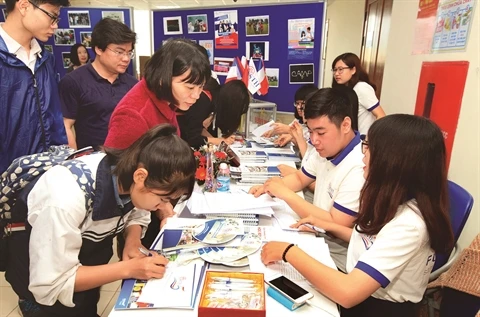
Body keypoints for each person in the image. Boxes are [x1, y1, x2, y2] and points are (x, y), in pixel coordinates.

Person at [260, 114, 454, 317]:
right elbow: (373, 241)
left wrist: (289, 252)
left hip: (375, 308)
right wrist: (330, 226)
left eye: (369, 148)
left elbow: (348, 293)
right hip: (360, 288)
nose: (363, 155)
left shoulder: (410, 224)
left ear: (394, 161)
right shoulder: (392, 199)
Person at [5, 124, 197, 317]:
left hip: (83, 275)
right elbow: (53, 283)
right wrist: (128, 268)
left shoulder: (127, 175)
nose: (162, 207)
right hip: (42, 293)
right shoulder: (65, 196)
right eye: (162, 199)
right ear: (140, 176)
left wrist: (133, 241)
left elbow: (137, 211)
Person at [104, 37, 211, 249]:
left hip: (154, 205)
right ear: (164, 78)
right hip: (137, 218)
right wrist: (161, 207)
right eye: (190, 86)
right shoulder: (134, 115)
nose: (196, 95)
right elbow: (120, 183)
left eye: (200, 87)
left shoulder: (164, 99)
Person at [250, 88, 365, 272]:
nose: (314, 140)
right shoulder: (326, 149)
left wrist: (286, 194)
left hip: (336, 256)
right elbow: (300, 177)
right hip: (313, 234)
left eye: (321, 132)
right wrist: (268, 188)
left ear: (345, 125)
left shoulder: (359, 165)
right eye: (310, 131)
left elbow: (336, 223)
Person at [0, 0, 69, 173]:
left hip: (45, 171)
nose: (55, 26)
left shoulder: (45, 59)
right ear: (24, 6)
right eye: (52, 16)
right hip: (7, 176)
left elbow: (54, 116)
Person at [59, 18, 137, 151]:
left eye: (129, 53)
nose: (126, 58)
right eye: (119, 52)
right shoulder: (73, 81)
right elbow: (66, 125)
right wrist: (73, 161)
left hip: (127, 160)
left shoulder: (133, 84)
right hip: (91, 162)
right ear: (99, 49)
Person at [177, 78, 250, 149]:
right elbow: (192, 138)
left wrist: (217, 140)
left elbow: (196, 127)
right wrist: (220, 141)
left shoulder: (213, 94)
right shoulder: (203, 101)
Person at [332, 52, 386, 134]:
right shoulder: (344, 89)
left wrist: (368, 139)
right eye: (335, 70)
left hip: (363, 139)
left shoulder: (361, 87)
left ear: (353, 70)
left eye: (341, 69)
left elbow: (381, 115)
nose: (336, 73)